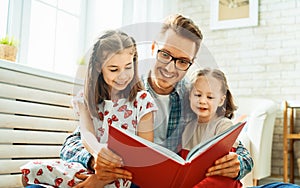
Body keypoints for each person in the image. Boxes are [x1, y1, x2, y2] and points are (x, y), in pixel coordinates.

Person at [60, 14, 253, 187]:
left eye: (183, 61)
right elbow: (72, 144)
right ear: (153, 48)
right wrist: (95, 160)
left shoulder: (193, 98)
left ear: (191, 63)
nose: (170, 68)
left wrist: (238, 165)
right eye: (165, 55)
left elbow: (240, 151)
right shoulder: (123, 89)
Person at [21, 30, 157, 188]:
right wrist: (97, 152)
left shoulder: (142, 101)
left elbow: (144, 152)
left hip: (123, 174)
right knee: (31, 175)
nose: (123, 76)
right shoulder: (86, 100)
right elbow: (87, 134)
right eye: (114, 69)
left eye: (128, 67)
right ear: (99, 67)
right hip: (89, 167)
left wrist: (101, 178)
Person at [180, 68, 242, 187]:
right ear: (189, 97)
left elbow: (223, 173)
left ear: (221, 100)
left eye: (210, 97)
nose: (202, 101)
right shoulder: (188, 128)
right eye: (198, 95)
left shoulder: (223, 126)